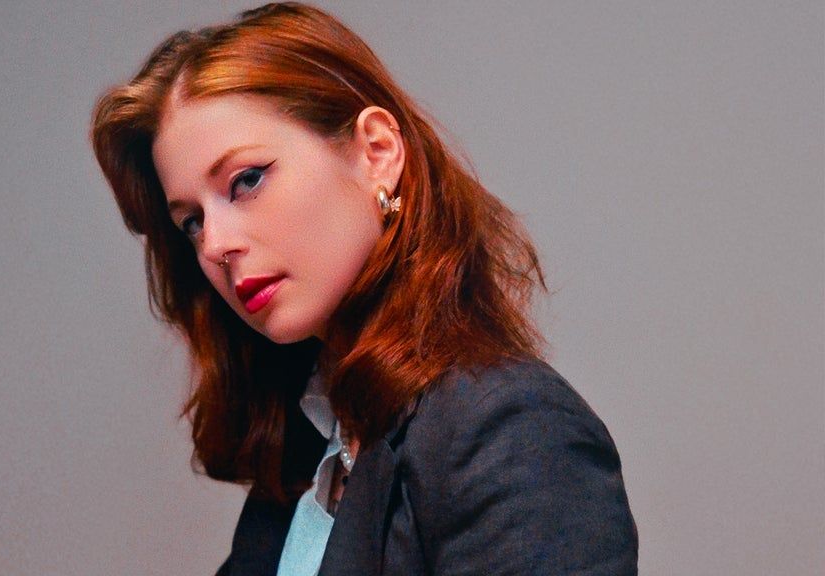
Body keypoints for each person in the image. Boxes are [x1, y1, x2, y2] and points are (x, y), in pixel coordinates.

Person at [90, 3, 638, 574]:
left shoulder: (509, 430)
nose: (214, 246)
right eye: (192, 222)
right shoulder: (312, 452)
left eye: (246, 180)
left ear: (377, 152)